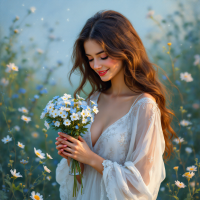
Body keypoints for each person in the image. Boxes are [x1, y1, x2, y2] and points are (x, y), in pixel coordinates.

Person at [55, 10, 179, 200]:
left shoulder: (144, 106)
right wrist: (74, 158)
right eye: (90, 58)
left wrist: (91, 158)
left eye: (103, 56)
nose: (95, 65)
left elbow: (142, 186)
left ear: (124, 50)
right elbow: (81, 183)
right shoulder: (92, 101)